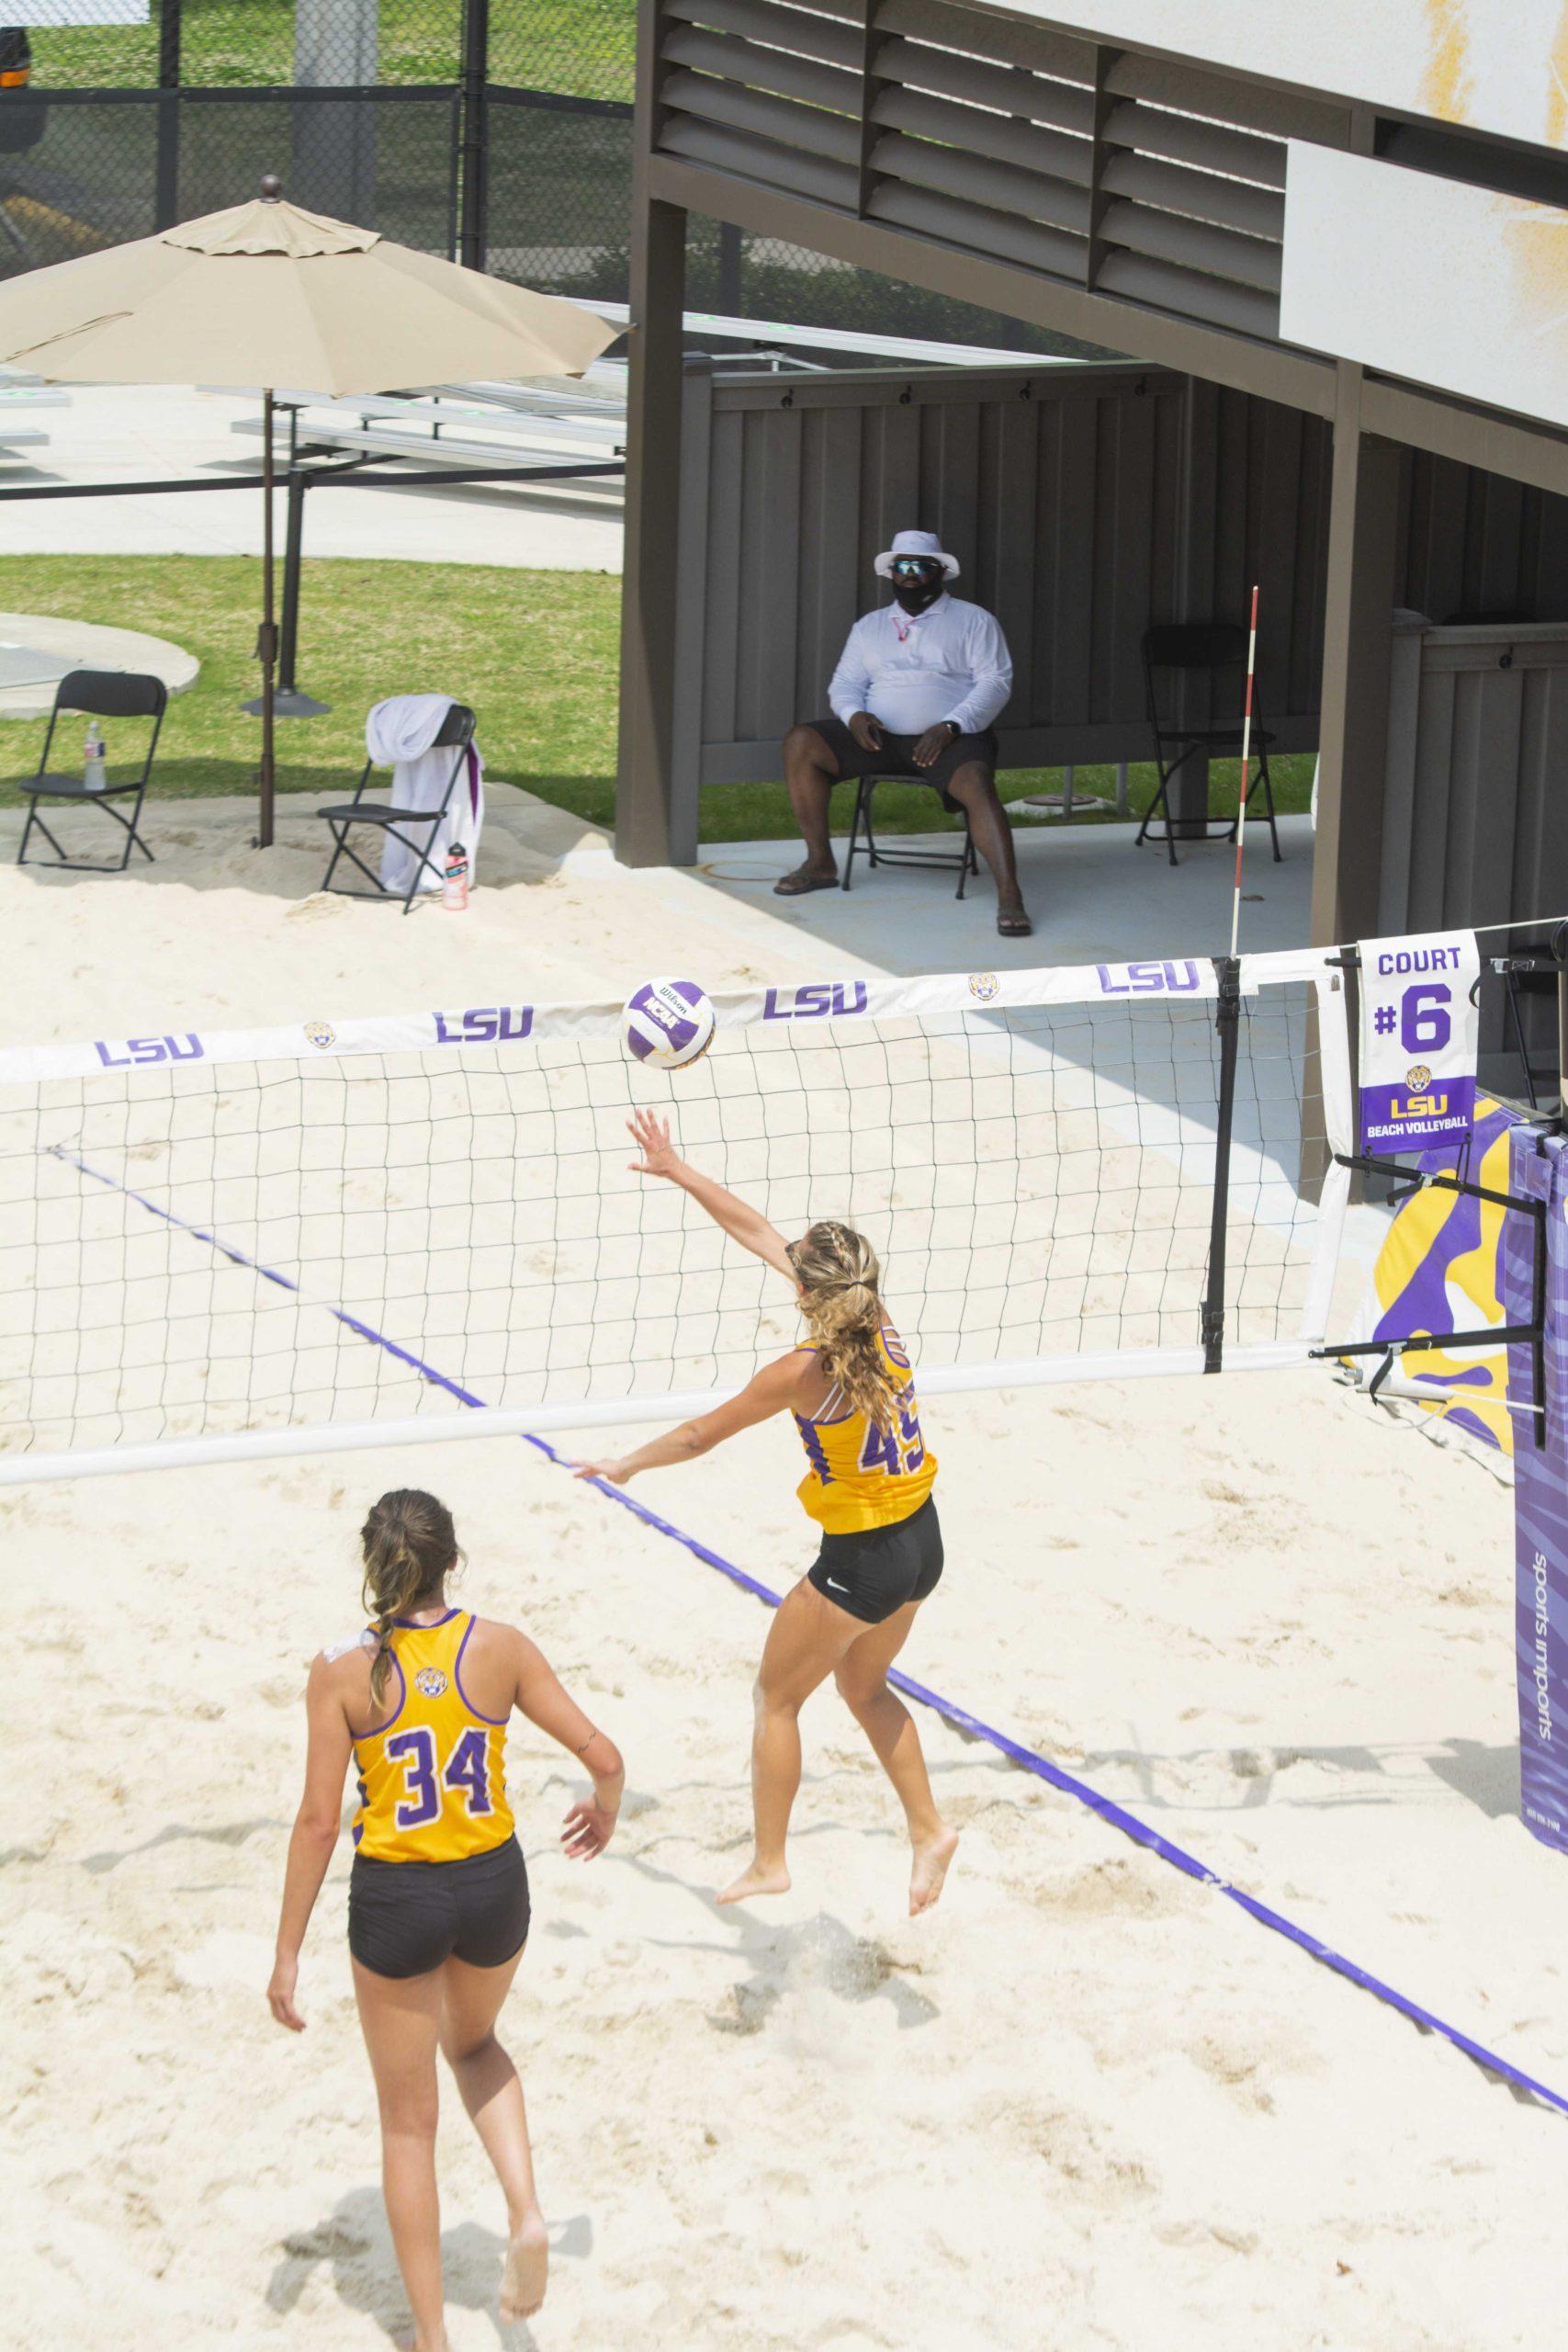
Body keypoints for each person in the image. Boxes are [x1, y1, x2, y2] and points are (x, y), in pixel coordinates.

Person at [574, 1110, 959, 1918]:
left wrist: (625, 1465)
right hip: (923, 1543)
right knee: (865, 1686)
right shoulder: (878, 1324)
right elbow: (756, 1229)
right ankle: (927, 1832)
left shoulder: (798, 1372)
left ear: (808, 1293)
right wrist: (678, 1171)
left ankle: (770, 1861)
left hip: (861, 1561)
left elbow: (695, 1436)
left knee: (776, 1700)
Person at [267, 1488, 625, 2352]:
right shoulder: (500, 1648)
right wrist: (603, 1807)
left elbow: (318, 1824)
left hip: (400, 1898)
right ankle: (527, 2210)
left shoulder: (341, 1670)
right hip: (494, 1887)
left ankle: (431, 2338)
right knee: (474, 2045)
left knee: (406, 2124)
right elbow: (604, 1757)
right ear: (451, 1563)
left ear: (372, 1567)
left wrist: (285, 1954)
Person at [775, 526, 1031, 938]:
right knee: (801, 741)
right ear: (891, 573)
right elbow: (844, 684)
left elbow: (995, 682)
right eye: (901, 567)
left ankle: (1010, 894)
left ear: (939, 573)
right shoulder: (870, 626)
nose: (910, 575)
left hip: (951, 738)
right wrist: (855, 715)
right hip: (878, 740)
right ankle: (820, 863)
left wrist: (952, 725)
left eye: (920, 567)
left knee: (978, 786)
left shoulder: (973, 621)